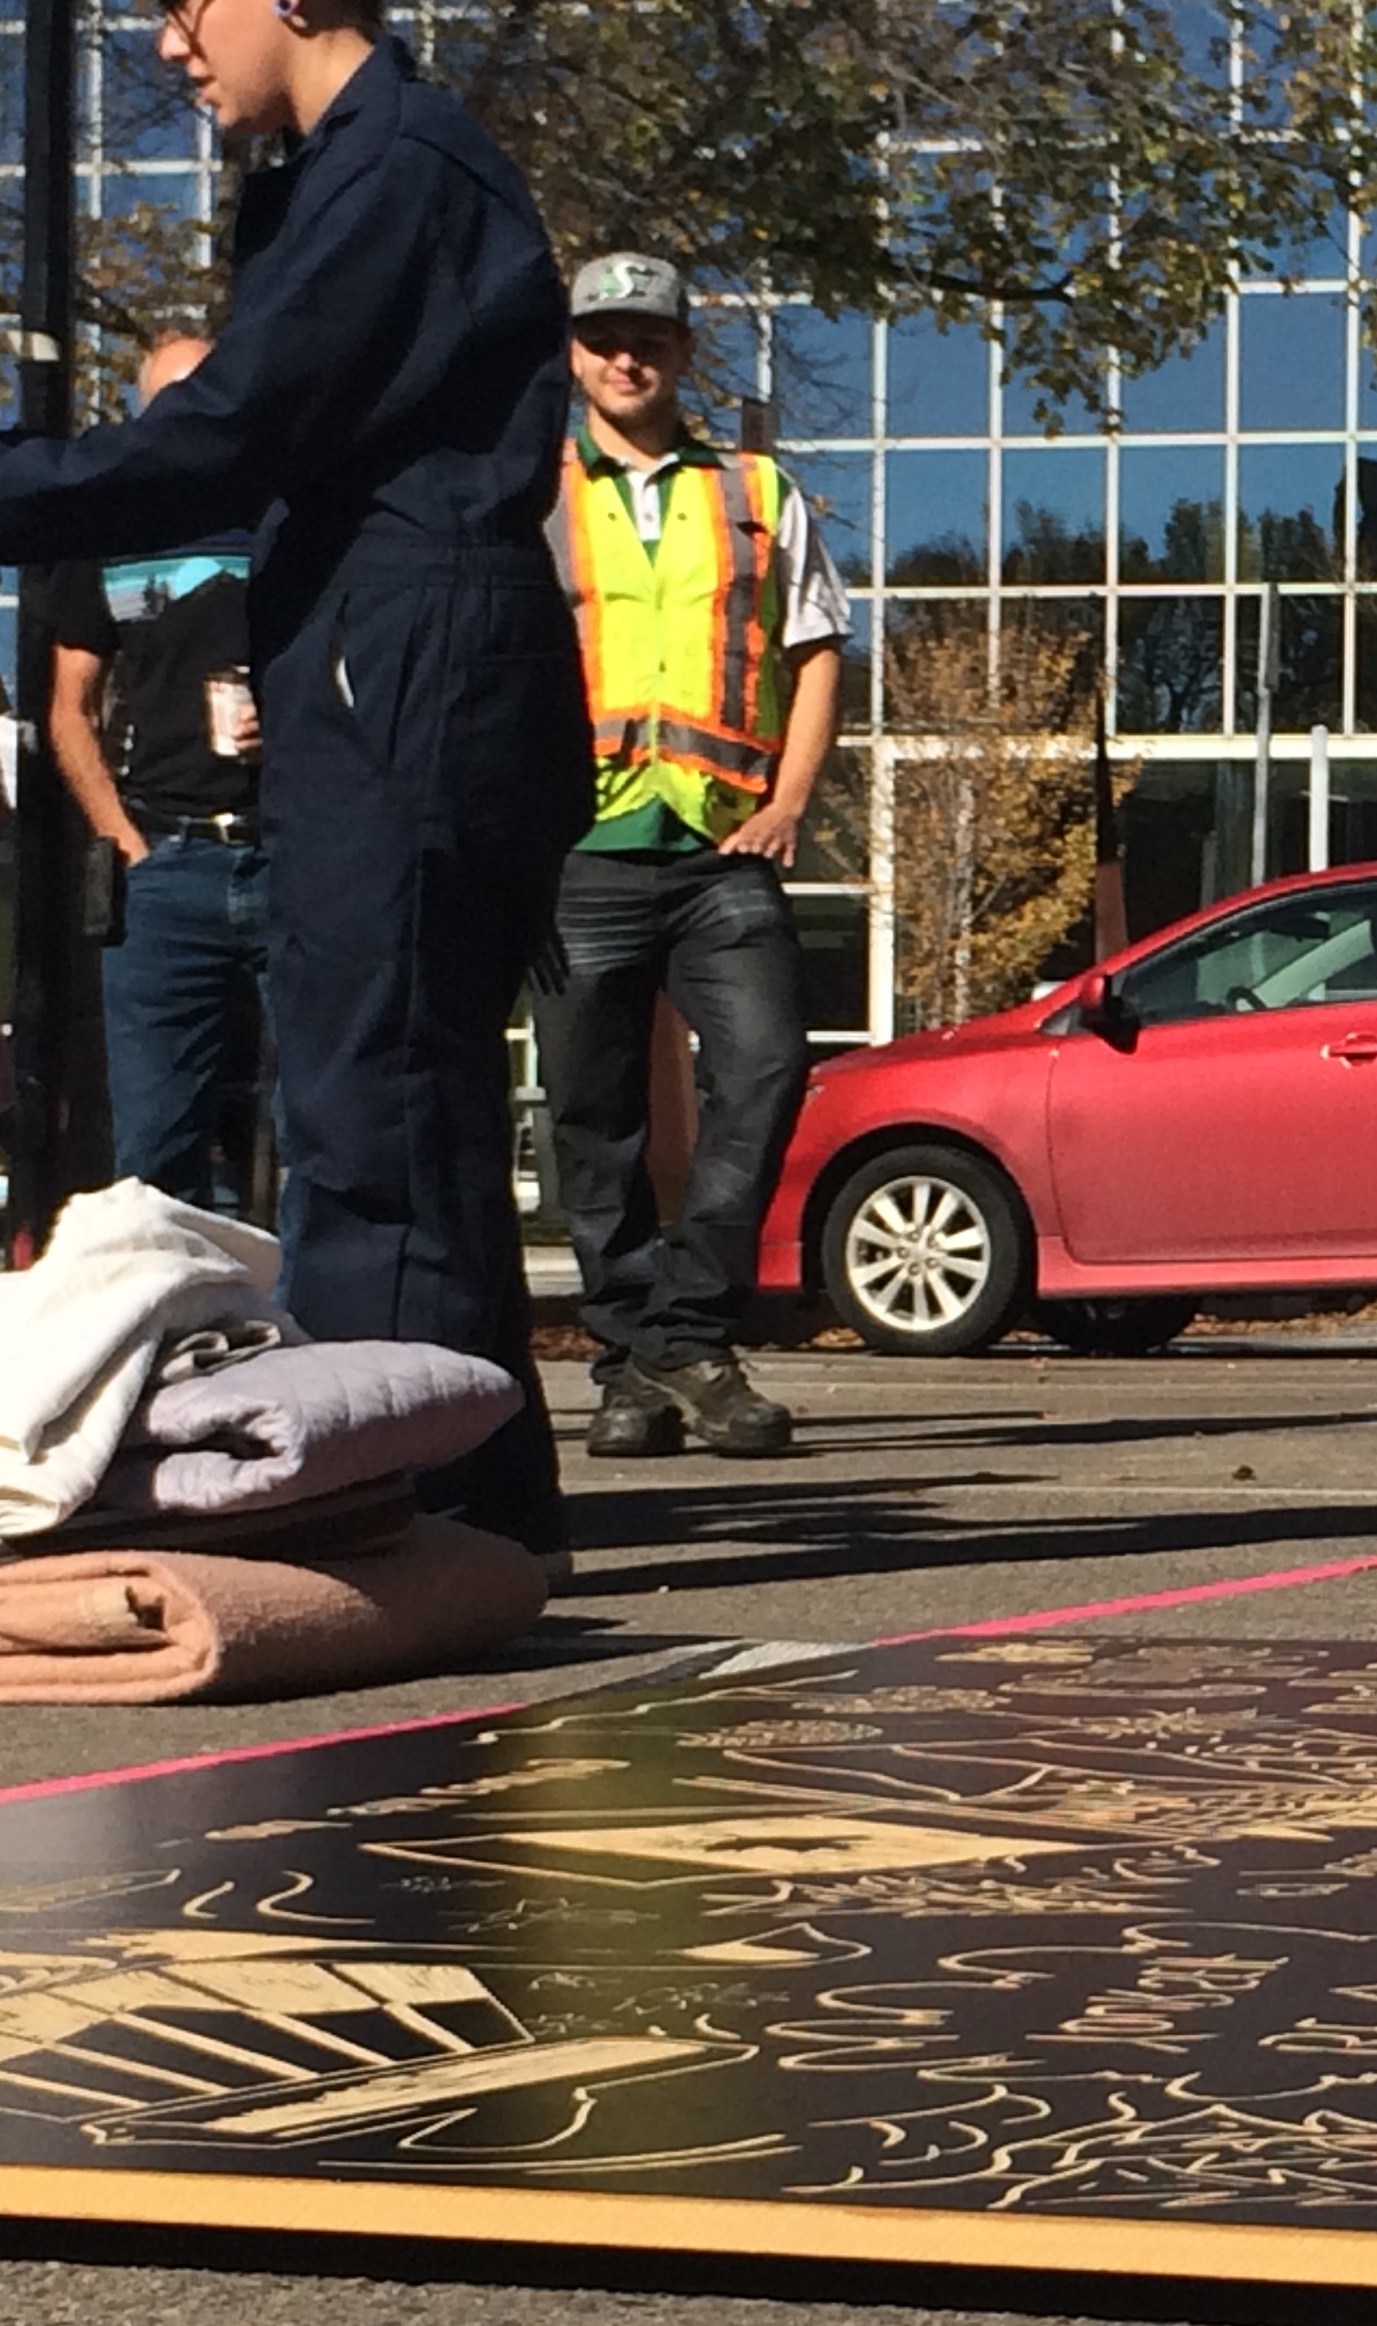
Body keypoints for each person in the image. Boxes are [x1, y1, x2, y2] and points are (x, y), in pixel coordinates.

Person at [0, 0, 589, 1566]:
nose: (167, 45)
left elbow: (230, 431)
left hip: (406, 657)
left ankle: (375, 1528)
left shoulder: (395, 167)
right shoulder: (362, 169)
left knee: (370, 1111)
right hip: (402, 652)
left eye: (187, 2)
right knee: (413, 1105)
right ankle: (477, 1509)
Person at [535, 254, 847, 1460]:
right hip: (580, 849)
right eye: (604, 338)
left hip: (724, 848)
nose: (628, 358)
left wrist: (790, 802)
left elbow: (817, 651)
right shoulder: (532, 489)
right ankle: (636, 1362)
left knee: (765, 1070)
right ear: (575, 353)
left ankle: (688, 1330)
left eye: (650, 338)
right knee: (592, 1114)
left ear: (684, 353)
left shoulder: (757, 491)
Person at [42, 333, 276, 1209]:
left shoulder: (294, 515)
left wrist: (295, 727)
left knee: (321, 1123)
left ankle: (302, 1292)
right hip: (164, 867)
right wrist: (126, 843)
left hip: (296, 857)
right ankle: (184, 1291)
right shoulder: (110, 527)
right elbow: (69, 709)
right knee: (156, 1144)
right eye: (169, 400)